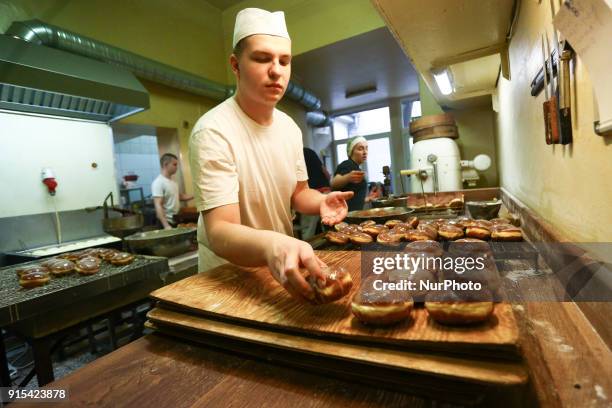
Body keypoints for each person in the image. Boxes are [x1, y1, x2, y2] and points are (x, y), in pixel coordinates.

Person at [189, 8, 352, 302]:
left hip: (278, 269)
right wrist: (273, 245)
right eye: (262, 58)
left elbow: (299, 194)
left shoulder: (289, 128)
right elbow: (220, 230)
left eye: (284, 61)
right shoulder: (214, 131)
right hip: (227, 281)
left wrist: (321, 201)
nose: (276, 70)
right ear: (236, 65)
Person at [152, 153, 193, 229]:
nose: (176, 167)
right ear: (165, 164)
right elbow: (158, 205)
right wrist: (166, 225)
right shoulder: (158, 182)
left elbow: (179, 196)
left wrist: (196, 194)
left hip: (175, 219)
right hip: (166, 223)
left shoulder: (173, 182)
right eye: (174, 164)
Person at [300, 147, 331, 239]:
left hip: (310, 195)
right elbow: (327, 174)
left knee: (308, 230)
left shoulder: (294, 154)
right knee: (328, 227)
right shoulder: (310, 151)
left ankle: (307, 251)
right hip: (325, 192)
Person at [331, 136, 368, 211]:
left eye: (366, 148)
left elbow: (353, 198)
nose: (365, 152)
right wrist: (348, 177)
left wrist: (368, 198)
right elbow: (334, 183)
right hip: (343, 216)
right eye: (360, 149)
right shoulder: (347, 164)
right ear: (351, 151)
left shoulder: (356, 167)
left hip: (351, 215)